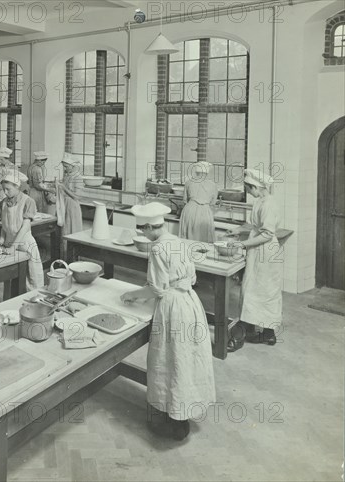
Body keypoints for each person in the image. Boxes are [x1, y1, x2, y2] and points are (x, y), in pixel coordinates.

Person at [121, 202, 215, 441]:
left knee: (168, 359)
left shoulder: (156, 248)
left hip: (172, 309)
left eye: (143, 229)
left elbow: (157, 288)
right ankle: (181, 414)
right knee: (185, 359)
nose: (142, 234)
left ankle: (173, 424)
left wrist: (133, 295)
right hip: (190, 304)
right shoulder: (177, 241)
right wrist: (154, 289)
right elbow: (189, 277)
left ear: (152, 227)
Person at [226, 169, 282, 352]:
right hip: (261, 250)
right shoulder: (262, 201)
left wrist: (243, 244)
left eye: (249, 189)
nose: (249, 192)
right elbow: (257, 227)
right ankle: (266, 333)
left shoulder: (269, 204)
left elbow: (266, 233)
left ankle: (254, 330)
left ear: (256, 187)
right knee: (261, 290)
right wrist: (239, 231)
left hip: (265, 252)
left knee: (259, 291)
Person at [0, 171, 44, 291]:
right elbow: (4, 224)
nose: (5, 192)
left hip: (24, 244)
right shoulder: (3, 202)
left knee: (32, 279)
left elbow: (25, 227)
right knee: (12, 279)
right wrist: (1, 238)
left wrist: (13, 247)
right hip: (9, 244)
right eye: (3, 189)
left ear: (17, 187)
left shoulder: (28, 201)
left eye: (8, 189)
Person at [178, 161, 217, 243]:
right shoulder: (213, 185)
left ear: (196, 171)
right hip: (205, 212)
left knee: (188, 238)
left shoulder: (188, 182)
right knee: (204, 238)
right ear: (207, 172)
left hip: (189, 210)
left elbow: (185, 200)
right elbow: (212, 203)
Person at [56, 152, 84, 236]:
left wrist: (63, 188)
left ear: (73, 166)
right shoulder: (67, 175)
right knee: (64, 229)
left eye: (66, 167)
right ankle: (64, 248)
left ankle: (72, 248)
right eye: (64, 166)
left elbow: (77, 196)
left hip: (72, 205)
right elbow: (63, 190)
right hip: (64, 203)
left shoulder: (78, 177)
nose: (64, 169)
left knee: (72, 228)